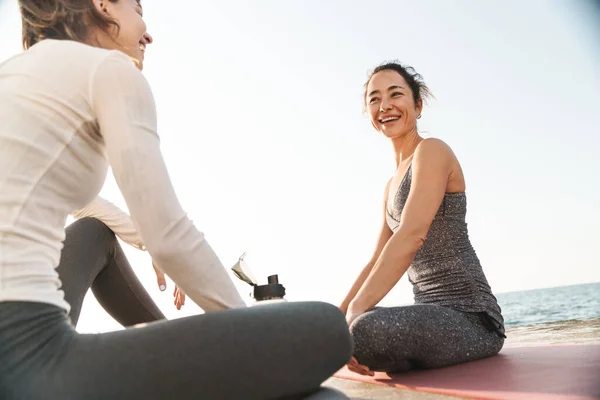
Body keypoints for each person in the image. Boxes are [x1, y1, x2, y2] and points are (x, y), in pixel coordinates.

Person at [0, 1, 351, 399]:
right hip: (22, 356)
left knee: (96, 233)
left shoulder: (14, 74)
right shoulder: (107, 71)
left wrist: (146, 241)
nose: (147, 32)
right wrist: (246, 338)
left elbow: (87, 209)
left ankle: (168, 340)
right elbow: (169, 235)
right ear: (101, 6)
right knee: (327, 331)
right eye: (136, 9)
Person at [339, 61, 505, 376]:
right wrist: (342, 312)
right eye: (374, 99)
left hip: (471, 318)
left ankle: (378, 348)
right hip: (430, 316)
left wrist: (357, 311)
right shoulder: (391, 186)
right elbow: (377, 258)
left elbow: (412, 234)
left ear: (417, 105)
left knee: (363, 329)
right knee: (348, 326)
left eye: (395, 94)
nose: (384, 106)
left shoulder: (433, 151)